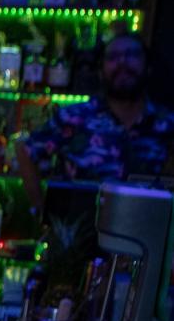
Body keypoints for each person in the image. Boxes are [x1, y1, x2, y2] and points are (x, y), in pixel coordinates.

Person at [17, 32, 174, 211]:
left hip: (142, 233)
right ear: (100, 71)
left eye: (132, 55)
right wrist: (40, 209)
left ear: (148, 67)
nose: (122, 63)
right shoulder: (75, 117)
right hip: (81, 233)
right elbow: (25, 150)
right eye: (113, 57)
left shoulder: (166, 125)